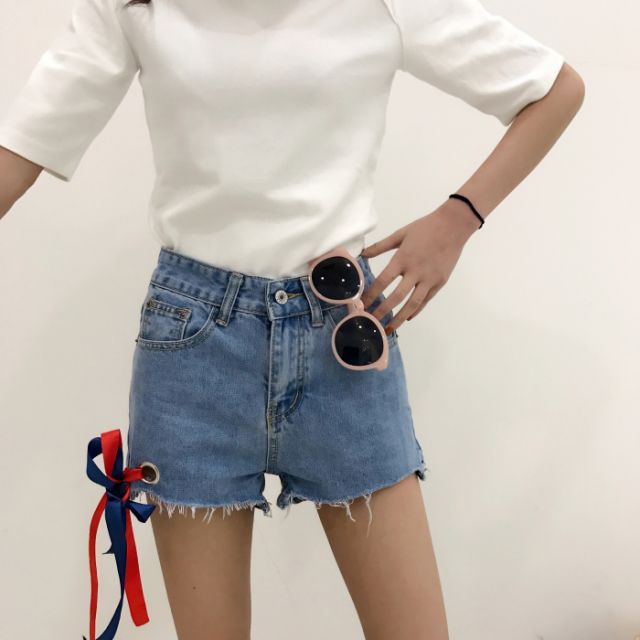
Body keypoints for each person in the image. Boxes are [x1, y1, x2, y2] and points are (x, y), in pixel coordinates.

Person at [0, 0, 584, 638]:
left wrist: (458, 217)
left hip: (344, 340)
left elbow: (554, 90)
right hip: (193, 351)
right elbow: (21, 148)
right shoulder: (133, 6)